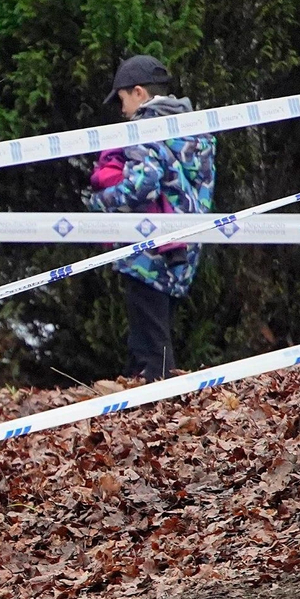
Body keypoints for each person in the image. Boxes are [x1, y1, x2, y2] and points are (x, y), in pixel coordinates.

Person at [86, 55, 216, 380]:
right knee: (145, 336)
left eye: (123, 99)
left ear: (140, 93)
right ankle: (138, 404)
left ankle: (161, 409)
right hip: (184, 246)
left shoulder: (147, 126)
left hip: (149, 251)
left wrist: (100, 201)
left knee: (152, 343)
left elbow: (141, 185)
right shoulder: (192, 128)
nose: (122, 110)